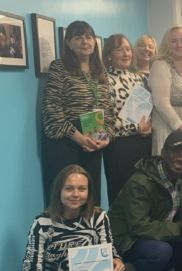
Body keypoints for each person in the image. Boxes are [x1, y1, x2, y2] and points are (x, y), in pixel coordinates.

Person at [3, 165, 133, 271]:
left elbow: (110, 251)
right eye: (69, 189)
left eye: (82, 189)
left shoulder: (98, 216)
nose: (76, 194)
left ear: (88, 192)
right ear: (59, 191)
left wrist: (117, 263)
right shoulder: (42, 223)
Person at [41, 20, 114, 204]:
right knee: (66, 197)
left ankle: (90, 232)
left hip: (94, 135)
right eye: (78, 37)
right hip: (66, 139)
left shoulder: (100, 71)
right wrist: (80, 138)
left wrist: (104, 138)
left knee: (89, 196)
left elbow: (108, 110)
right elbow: (52, 110)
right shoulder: (59, 67)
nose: (85, 41)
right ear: (68, 43)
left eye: (88, 37)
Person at [103, 34, 153, 204]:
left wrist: (148, 126)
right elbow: (103, 120)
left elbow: (148, 110)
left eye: (128, 49)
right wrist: (135, 128)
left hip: (143, 143)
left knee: (143, 194)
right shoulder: (102, 80)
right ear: (109, 54)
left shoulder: (138, 78)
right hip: (119, 147)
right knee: (122, 195)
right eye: (119, 49)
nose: (126, 53)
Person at [149, 25, 182, 155]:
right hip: (168, 129)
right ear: (167, 44)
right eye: (174, 41)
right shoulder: (160, 65)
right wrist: (180, 127)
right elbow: (161, 103)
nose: (179, 44)